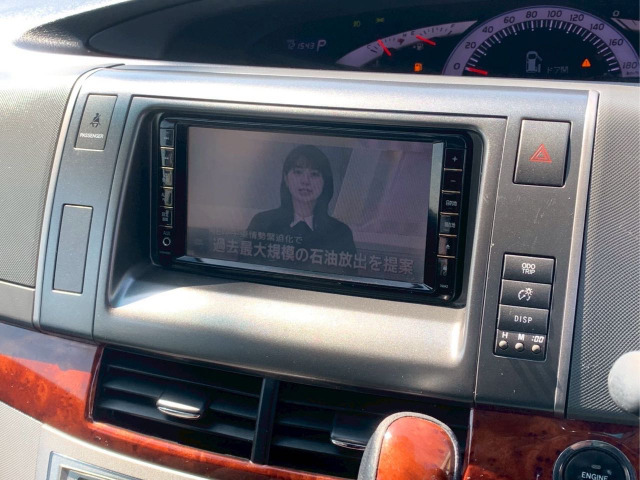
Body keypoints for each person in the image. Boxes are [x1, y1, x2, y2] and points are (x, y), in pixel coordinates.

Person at [247, 145, 356, 264]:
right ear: (286, 179)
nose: (305, 181)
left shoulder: (341, 233)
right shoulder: (262, 222)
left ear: (325, 182)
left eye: (314, 174)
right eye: (298, 172)